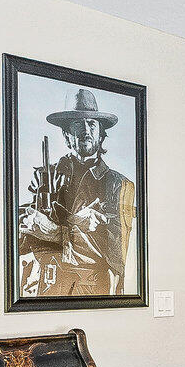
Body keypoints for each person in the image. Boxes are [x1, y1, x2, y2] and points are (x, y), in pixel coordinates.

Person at [18, 87, 135, 297]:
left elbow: (114, 255)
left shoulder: (119, 184)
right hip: (45, 289)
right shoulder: (45, 175)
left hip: (91, 292)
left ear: (101, 135)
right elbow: (21, 238)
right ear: (66, 134)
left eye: (92, 124)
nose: (85, 130)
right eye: (77, 124)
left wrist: (56, 231)